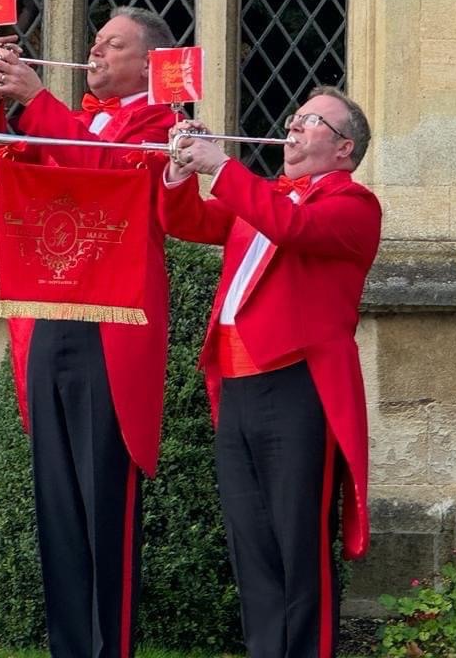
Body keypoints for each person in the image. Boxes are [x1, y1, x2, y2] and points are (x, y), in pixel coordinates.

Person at [0, 6, 176, 658]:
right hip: (52, 316)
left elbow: (107, 170)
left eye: (113, 46)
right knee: (56, 504)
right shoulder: (77, 118)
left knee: (105, 506)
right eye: (94, 41)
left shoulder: (160, 122)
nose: (95, 52)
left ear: (148, 63)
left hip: (110, 330)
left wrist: (36, 97)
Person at [158, 86, 381, 657]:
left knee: (298, 543)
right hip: (238, 386)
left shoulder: (354, 204)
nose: (293, 126)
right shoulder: (266, 196)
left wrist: (223, 165)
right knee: (251, 543)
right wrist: (180, 172)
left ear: (343, 149)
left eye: (311, 121)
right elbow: (187, 223)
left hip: (298, 387)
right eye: (295, 116)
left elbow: (291, 229)